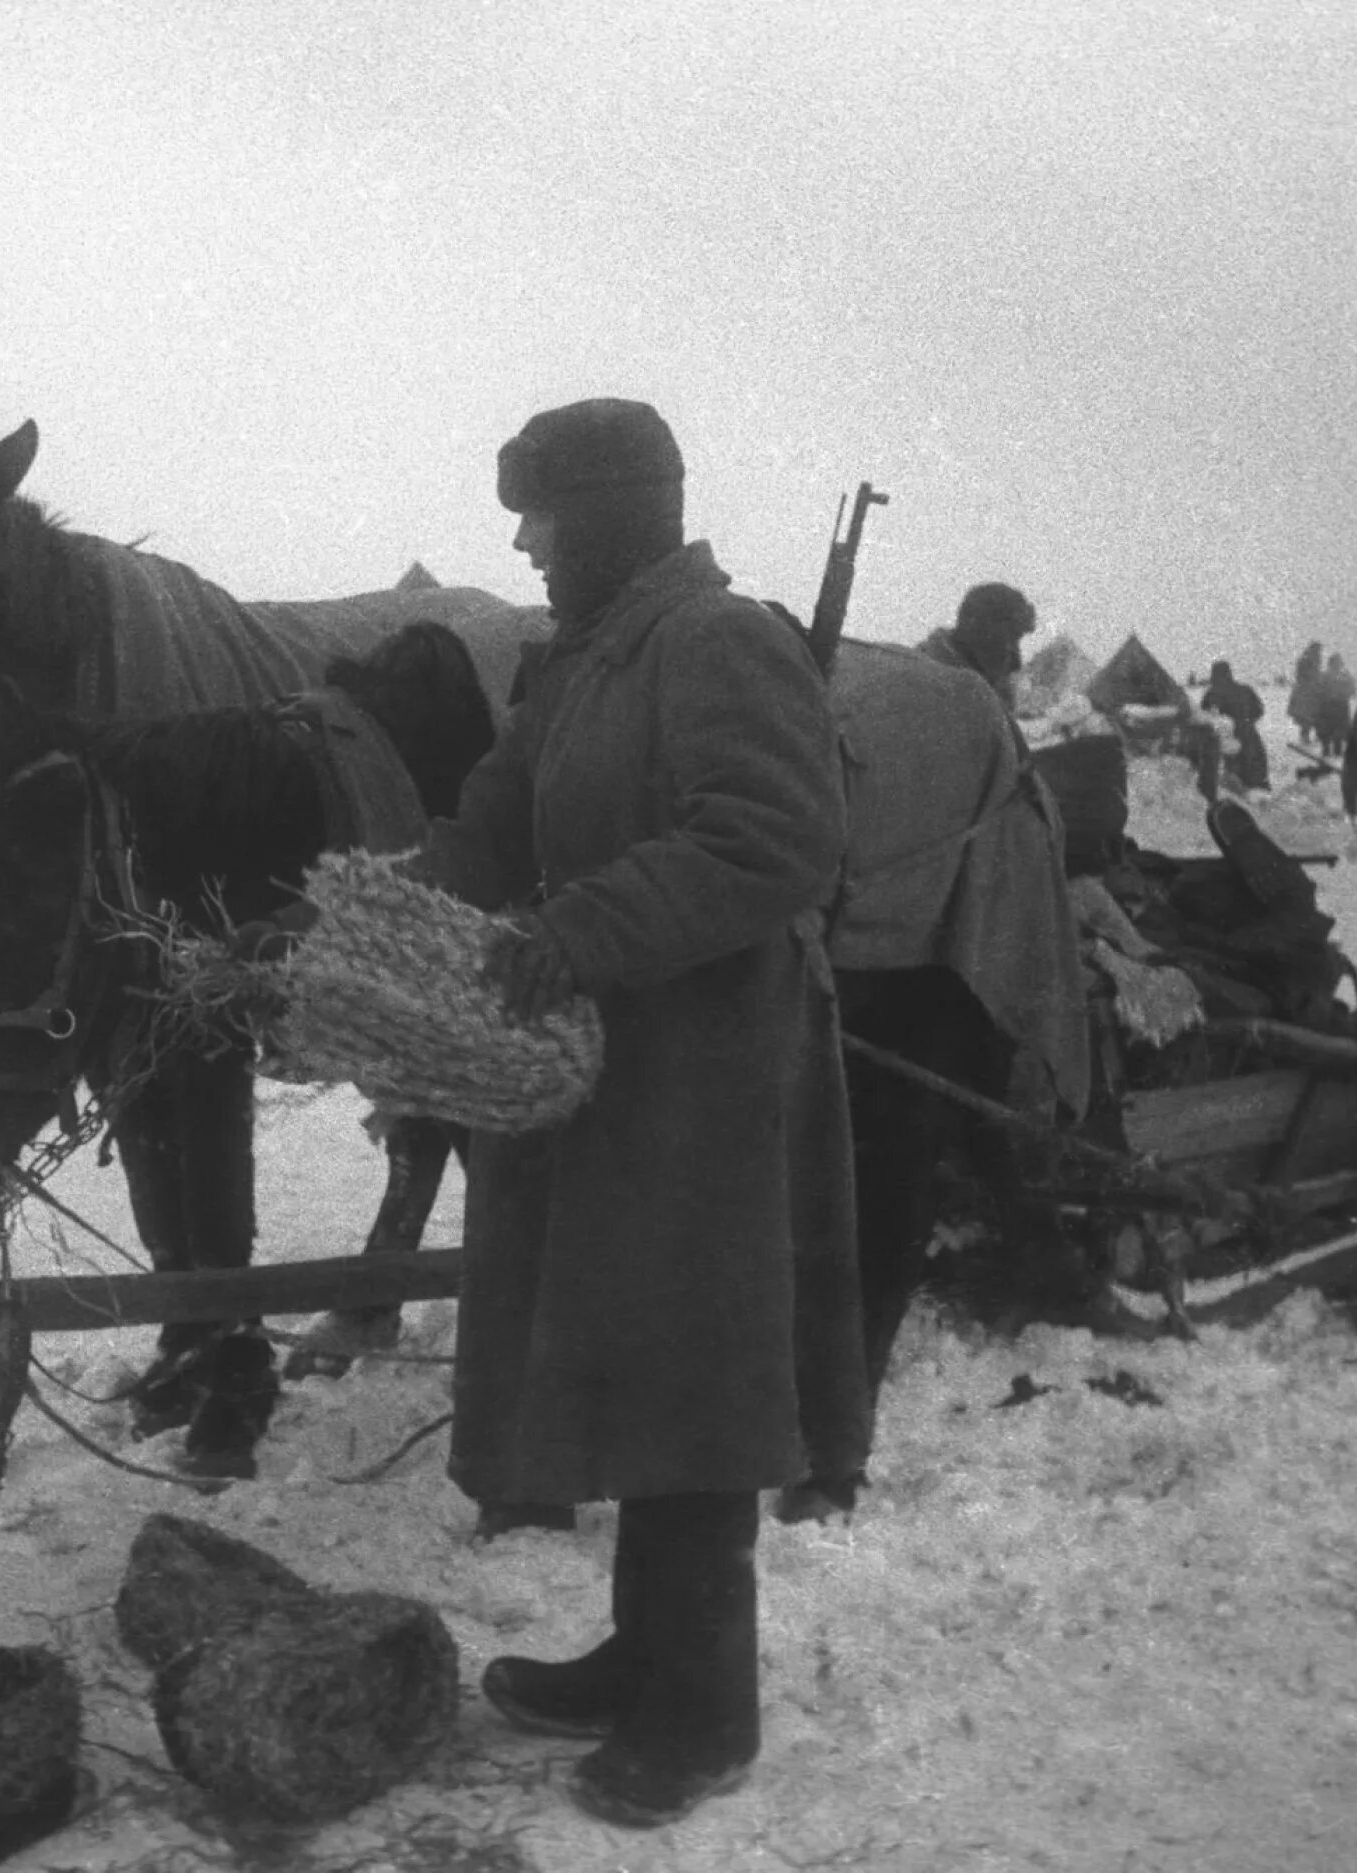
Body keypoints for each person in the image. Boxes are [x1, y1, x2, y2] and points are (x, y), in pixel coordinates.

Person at [413, 399, 866, 1829]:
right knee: (630, 1366)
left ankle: (704, 1712)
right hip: (618, 1080)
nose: (521, 539)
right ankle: (639, 1658)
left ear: (610, 512)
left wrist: (582, 929)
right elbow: (494, 823)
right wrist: (368, 908)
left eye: (539, 512)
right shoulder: (587, 662)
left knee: (697, 1387)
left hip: (711, 1086)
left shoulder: (717, 641)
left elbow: (773, 837)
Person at [917, 581, 1035, 714]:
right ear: (983, 637)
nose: (1016, 663)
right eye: (1009, 643)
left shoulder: (990, 690)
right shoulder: (921, 691)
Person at [1200, 658, 1269, 791]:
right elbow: (1259, 710)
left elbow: (1205, 717)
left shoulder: (1211, 694)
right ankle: (1261, 797)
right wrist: (1247, 722)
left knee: (1233, 776)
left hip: (1228, 738)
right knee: (1257, 771)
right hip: (1250, 735)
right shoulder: (1245, 690)